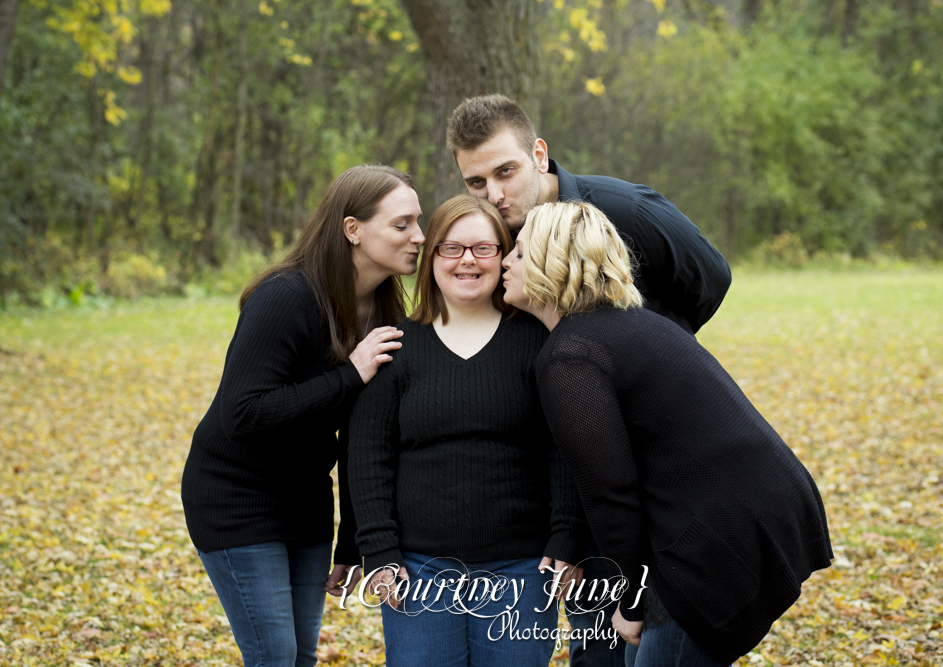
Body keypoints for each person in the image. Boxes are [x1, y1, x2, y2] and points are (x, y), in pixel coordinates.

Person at [501, 201, 834, 667]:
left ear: (547, 262)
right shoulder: (630, 325)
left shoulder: (571, 356)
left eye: (517, 252)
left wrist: (631, 602)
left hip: (716, 537)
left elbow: (611, 495)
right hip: (758, 511)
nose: (504, 262)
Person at [181, 165, 426, 667]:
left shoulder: (384, 314)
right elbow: (243, 413)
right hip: (236, 498)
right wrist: (350, 375)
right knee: (275, 656)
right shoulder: (285, 297)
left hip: (306, 502)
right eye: (402, 224)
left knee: (301, 657)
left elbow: (367, 438)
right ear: (353, 229)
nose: (419, 237)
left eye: (417, 222)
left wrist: (351, 541)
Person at [348, 194, 583, 667]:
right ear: (431, 257)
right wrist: (380, 552)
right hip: (417, 571)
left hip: (521, 570)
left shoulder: (538, 342)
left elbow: (562, 450)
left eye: (483, 248)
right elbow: (367, 456)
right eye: (451, 249)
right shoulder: (395, 346)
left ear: (505, 255)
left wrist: (564, 538)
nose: (467, 261)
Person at [447, 93, 731, 337]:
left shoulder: (626, 208)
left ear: (539, 156)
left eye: (505, 171)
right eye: (477, 183)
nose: (494, 195)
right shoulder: (482, 243)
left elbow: (711, 280)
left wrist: (659, 344)